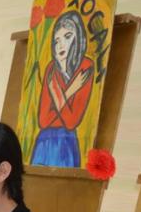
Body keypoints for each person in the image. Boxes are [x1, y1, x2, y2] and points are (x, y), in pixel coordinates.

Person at [30, 11, 94, 168]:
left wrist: (56, 96)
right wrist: (70, 90)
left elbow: (71, 122)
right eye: (56, 40)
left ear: (78, 39)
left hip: (67, 143)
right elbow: (43, 120)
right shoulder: (51, 69)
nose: (61, 45)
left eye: (67, 37)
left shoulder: (86, 66)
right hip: (44, 143)